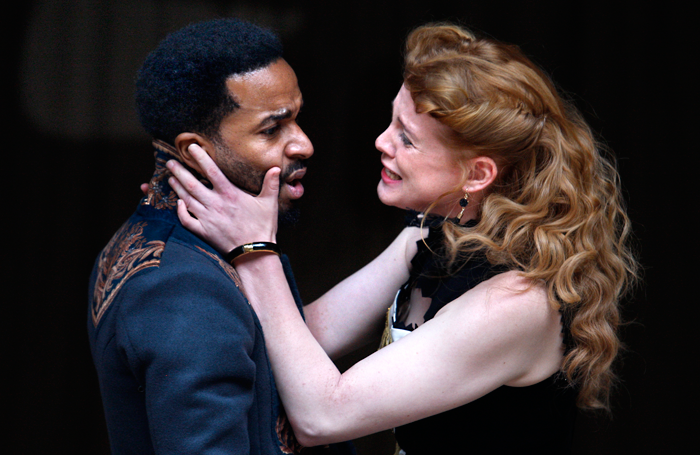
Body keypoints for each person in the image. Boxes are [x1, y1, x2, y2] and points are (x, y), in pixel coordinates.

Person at [167, 23, 638, 454]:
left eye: (407, 138)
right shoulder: (433, 236)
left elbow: (323, 416)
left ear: (477, 174)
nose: (381, 142)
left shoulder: (517, 303)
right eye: (391, 121)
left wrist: (255, 249)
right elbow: (308, 337)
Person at [87, 18, 343, 455]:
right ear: (195, 151)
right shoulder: (182, 289)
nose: (303, 143)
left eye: (297, 119)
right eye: (272, 129)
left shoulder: (196, 241)